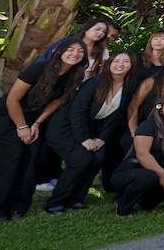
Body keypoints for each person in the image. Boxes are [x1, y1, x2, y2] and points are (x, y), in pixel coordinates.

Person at [0, 39, 87, 221]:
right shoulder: (40, 68)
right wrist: (22, 128)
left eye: (80, 51)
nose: (75, 54)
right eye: (70, 49)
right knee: (9, 158)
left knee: (30, 160)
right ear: (59, 51)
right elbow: (12, 100)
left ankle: (17, 206)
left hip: (32, 120)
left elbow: (57, 101)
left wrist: (36, 124)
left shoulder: (75, 75)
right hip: (4, 118)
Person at [44, 49, 132, 213]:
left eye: (126, 61)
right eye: (116, 61)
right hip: (64, 128)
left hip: (89, 131)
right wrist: (84, 139)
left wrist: (101, 139)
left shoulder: (128, 86)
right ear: (109, 64)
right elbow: (77, 112)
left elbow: (117, 116)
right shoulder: (95, 82)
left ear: (131, 65)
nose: (120, 65)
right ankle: (56, 202)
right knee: (81, 160)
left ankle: (76, 199)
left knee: (98, 157)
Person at [111, 93, 164, 217]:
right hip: (132, 170)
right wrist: (162, 174)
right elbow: (142, 154)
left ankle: (147, 204)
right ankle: (123, 207)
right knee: (149, 176)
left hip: (160, 169)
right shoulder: (148, 126)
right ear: (161, 110)